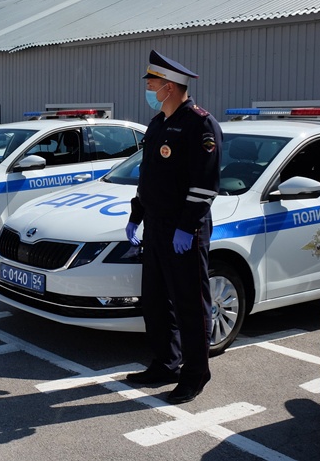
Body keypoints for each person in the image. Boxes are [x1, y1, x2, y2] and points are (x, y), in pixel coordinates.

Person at [124, 50, 222, 405]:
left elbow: (205, 183)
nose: (148, 88)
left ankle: (195, 374)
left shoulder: (200, 124)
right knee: (155, 300)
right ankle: (166, 363)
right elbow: (147, 177)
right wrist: (137, 214)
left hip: (185, 231)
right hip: (157, 226)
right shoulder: (157, 124)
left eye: (152, 83)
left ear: (168, 86)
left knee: (190, 304)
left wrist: (187, 226)